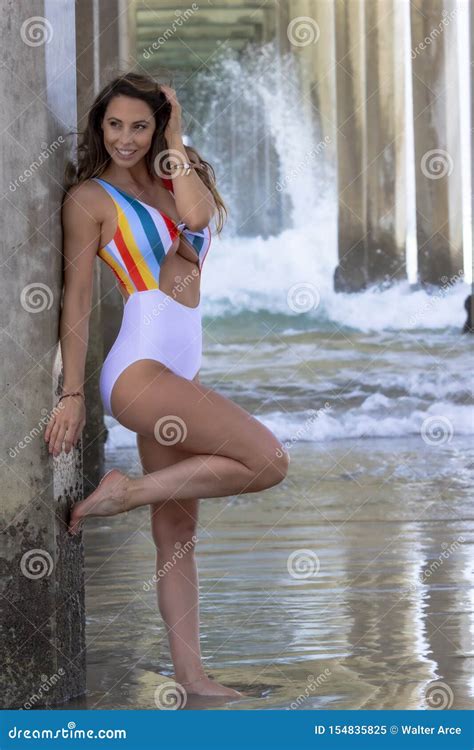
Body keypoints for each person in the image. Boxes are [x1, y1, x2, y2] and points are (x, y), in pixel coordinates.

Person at [44, 72, 289, 698]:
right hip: (140, 368)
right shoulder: (89, 199)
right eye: (114, 125)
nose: (125, 138)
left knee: (178, 535)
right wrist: (72, 394)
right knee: (267, 460)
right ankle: (125, 491)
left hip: (182, 366)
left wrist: (175, 136)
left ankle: (194, 678)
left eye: (140, 125)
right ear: (101, 127)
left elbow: (198, 215)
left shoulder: (180, 175)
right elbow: (73, 302)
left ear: (160, 127)